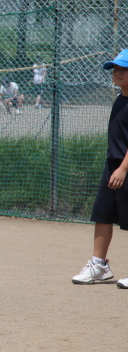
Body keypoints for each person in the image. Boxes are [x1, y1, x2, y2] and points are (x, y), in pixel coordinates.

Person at [72, 49, 128, 288]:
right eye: (115, 69)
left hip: (124, 167)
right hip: (113, 166)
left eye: (124, 69)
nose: (117, 72)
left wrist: (123, 169)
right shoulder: (120, 98)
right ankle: (99, 265)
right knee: (103, 214)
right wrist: (116, 167)